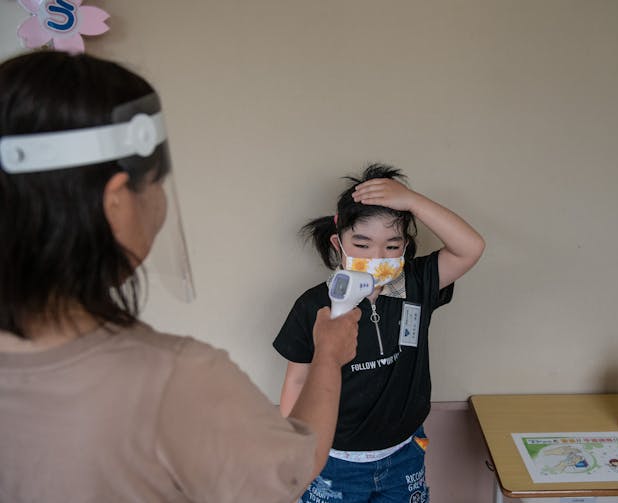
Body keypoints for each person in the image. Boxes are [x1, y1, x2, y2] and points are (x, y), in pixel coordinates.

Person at [0, 50, 360, 503]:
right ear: (116, 201)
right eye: (153, 182)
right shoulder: (174, 380)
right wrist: (327, 357)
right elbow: (292, 472)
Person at [274, 164, 485, 502]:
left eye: (391, 246)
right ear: (337, 242)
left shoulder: (416, 283)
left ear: (405, 247)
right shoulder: (314, 306)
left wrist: (413, 201)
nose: (376, 257)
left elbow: (470, 247)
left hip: (404, 455)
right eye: (362, 244)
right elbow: (297, 381)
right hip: (333, 460)